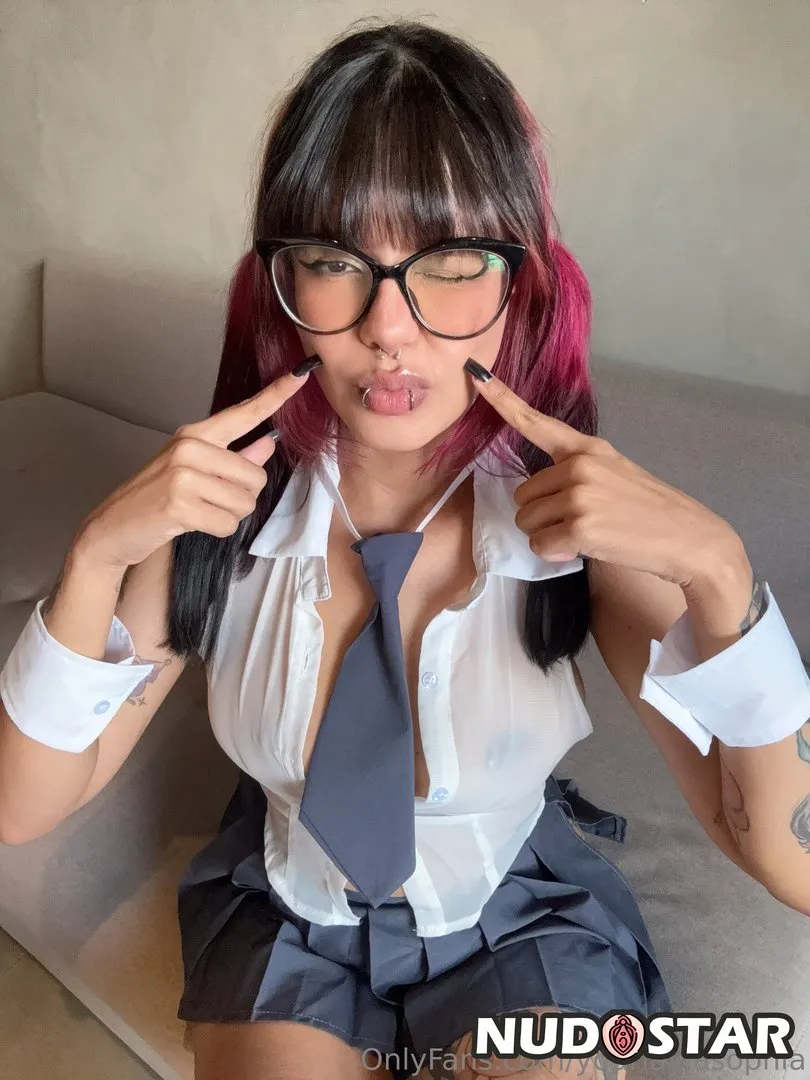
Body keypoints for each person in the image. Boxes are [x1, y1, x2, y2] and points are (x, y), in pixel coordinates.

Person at [2, 19, 809, 1080]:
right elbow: (24, 807)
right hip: (289, 912)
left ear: (523, 282)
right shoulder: (224, 517)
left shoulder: (570, 529)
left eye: (454, 260)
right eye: (336, 262)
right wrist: (97, 554)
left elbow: (791, 863)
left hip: (516, 914)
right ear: (280, 284)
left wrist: (721, 573)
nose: (390, 328)